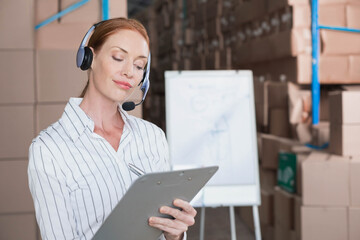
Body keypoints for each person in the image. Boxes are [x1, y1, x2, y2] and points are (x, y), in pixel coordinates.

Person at [28, 17, 196, 240]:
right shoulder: (49, 150)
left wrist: (175, 235)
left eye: (139, 66)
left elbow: (163, 228)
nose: (130, 72)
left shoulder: (152, 136)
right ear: (89, 58)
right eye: (118, 58)